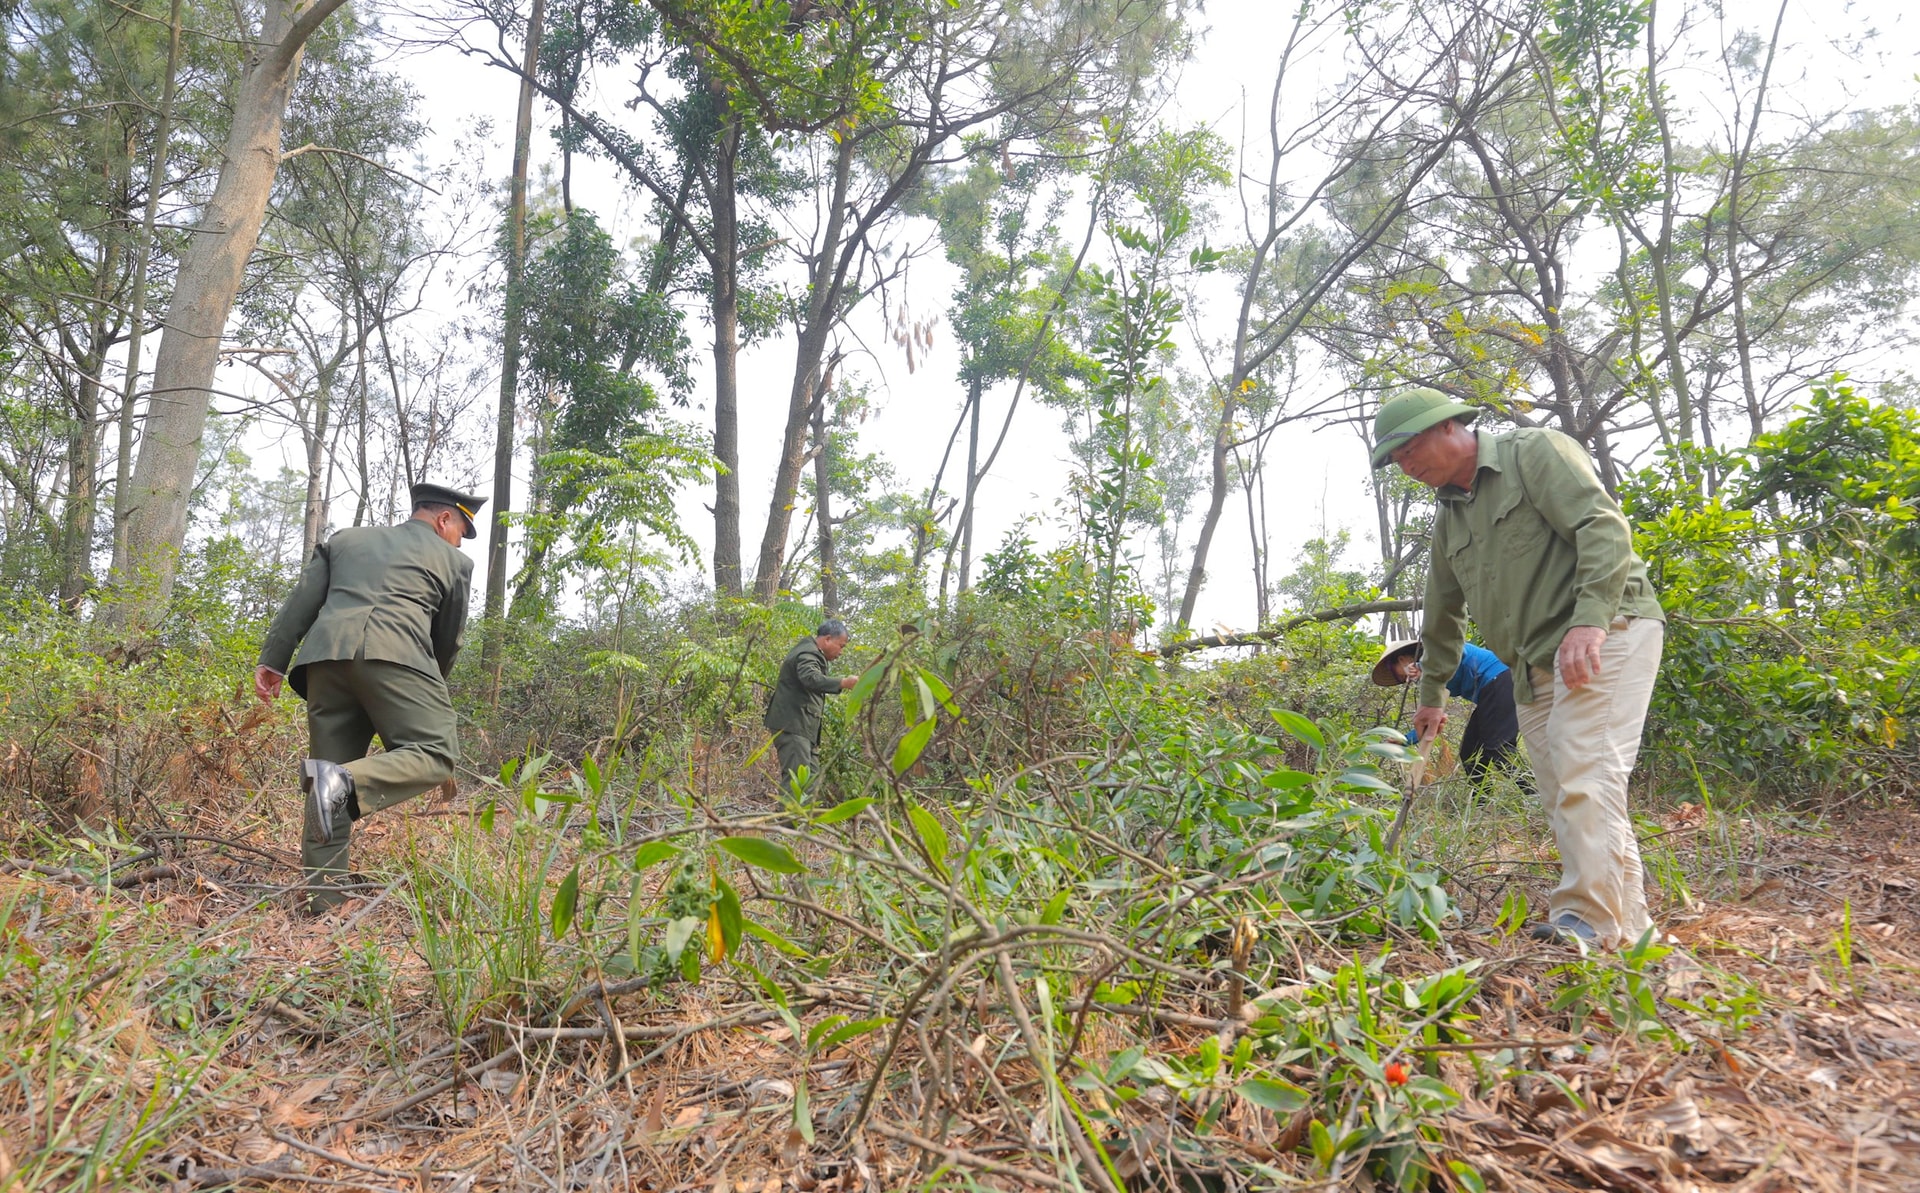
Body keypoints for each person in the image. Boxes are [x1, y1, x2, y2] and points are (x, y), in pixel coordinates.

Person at [1370, 387, 1665, 948]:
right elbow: (1442, 612)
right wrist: (1432, 695)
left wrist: (1590, 621)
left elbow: (1603, 527)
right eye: (1396, 461)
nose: (1406, 467)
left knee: (1586, 773)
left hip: (1606, 632)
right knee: (1565, 791)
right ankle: (1628, 931)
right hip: (1531, 666)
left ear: (1449, 426)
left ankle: (1587, 919)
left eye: (1408, 451)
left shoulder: (1534, 453)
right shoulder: (1449, 521)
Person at [255, 482, 484, 913]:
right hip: (397, 656)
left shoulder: (346, 540)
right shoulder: (454, 561)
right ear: (444, 519)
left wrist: (273, 659)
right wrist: (426, 689)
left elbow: (302, 600)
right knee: (435, 753)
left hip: (325, 662)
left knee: (326, 778)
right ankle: (346, 784)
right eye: (461, 530)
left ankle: (323, 904)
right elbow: (446, 641)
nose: (460, 540)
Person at [1372, 639, 1531, 792]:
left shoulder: (1436, 650)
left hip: (1501, 678)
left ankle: (1535, 793)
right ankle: (1483, 802)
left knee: (1497, 748)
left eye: (1399, 676)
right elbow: (1432, 718)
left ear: (1402, 659)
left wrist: (1423, 666)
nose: (1405, 680)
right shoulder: (1431, 678)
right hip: (1489, 693)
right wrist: (1405, 741)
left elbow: (1457, 651)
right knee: (1470, 752)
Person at [764, 620, 858, 798]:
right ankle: (787, 825)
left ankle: (801, 823)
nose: (841, 652)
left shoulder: (811, 652)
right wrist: (843, 682)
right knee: (797, 783)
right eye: (841, 646)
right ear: (828, 639)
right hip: (793, 726)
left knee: (810, 781)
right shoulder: (807, 653)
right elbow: (810, 678)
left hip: (803, 728)